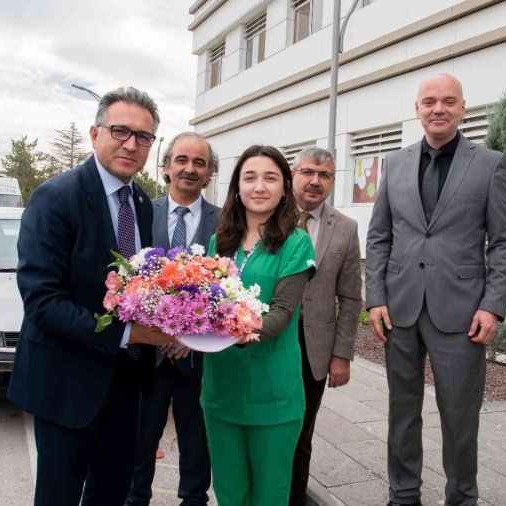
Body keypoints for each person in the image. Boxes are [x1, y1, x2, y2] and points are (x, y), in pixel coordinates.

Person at [7, 86, 178, 505]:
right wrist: (131, 334)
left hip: (125, 386)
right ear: (94, 133)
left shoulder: (139, 200)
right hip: (67, 383)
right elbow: (43, 304)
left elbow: (137, 287)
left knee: (112, 494)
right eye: (120, 130)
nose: (130, 143)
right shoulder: (55, 198)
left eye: (143, 137)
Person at [365, 73, 506, 506]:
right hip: (401, 308)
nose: (438, 109)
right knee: (402, 413)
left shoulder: (489, 164)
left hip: (463, 312)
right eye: (429, 101)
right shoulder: (394, 164)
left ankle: (462, 497)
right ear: (417, 109)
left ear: (463, 108)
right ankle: (403, 494)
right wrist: (376, 296)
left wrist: (493, 305)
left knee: (459, 417)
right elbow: (379, 236)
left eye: (448, 101)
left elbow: (503, 240)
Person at [203, 144, 316, 505]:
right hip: (222, 390)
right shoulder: (218, 241)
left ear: (285, 185)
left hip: (273, 393)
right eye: (249, 177)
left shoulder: (296, 242)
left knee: (269, 494)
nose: (259, 187)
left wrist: (229, 333)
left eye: (270, 178)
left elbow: (282, 313)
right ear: (237, 186)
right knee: (230, 492)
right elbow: (205, 304)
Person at [126, 132, 219, 506]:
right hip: (145, 357)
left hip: (197, 360)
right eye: (182, 160)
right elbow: (130, 281)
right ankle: (135, 499)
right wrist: (158, 332)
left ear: (209, 172)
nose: (190, 169)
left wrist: (193, 335)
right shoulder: (139, 213)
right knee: (139, 442)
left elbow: (231, 286)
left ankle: (193, 500)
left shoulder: (225, 221)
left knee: (197, 446)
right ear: (166, 167)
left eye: (199, 162)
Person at [287, 147, 363, 506]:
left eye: (325, 175)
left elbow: (350, 298)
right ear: (293, 174)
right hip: (268, 340)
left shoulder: (345, 229)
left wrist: (341, 355)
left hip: (313, 347)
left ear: (332, 180)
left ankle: (295, 496)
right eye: (308, 172)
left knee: (302, 431)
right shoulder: (269, 215)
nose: (315, 180)